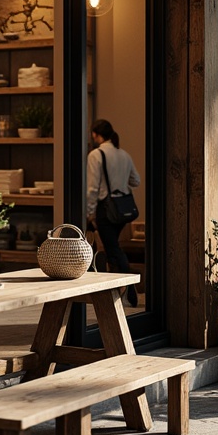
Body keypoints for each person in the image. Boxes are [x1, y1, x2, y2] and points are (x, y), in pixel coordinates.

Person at [86, 118, 141, 307]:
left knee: (113, 250)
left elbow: (92, 188)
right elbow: (136, 181)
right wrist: (119, 181)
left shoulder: (96, 155)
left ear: (96, 134)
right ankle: (118, 295)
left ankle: (130, 290)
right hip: (122, 209)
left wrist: (90, 213)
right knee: (112, 250)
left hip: (106, 209)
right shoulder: (123, 154)